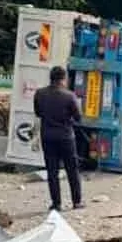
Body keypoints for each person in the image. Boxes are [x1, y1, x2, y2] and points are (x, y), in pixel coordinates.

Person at [33, 66, 83, 211]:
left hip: (48, 137)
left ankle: (56, 204)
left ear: (51, 78)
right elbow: (78, 117)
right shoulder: (69, 96)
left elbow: (38, 113)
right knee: (72, 170)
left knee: (52, 171)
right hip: (66, 137)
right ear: (64, 79)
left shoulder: (40, 93)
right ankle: (76, 202)